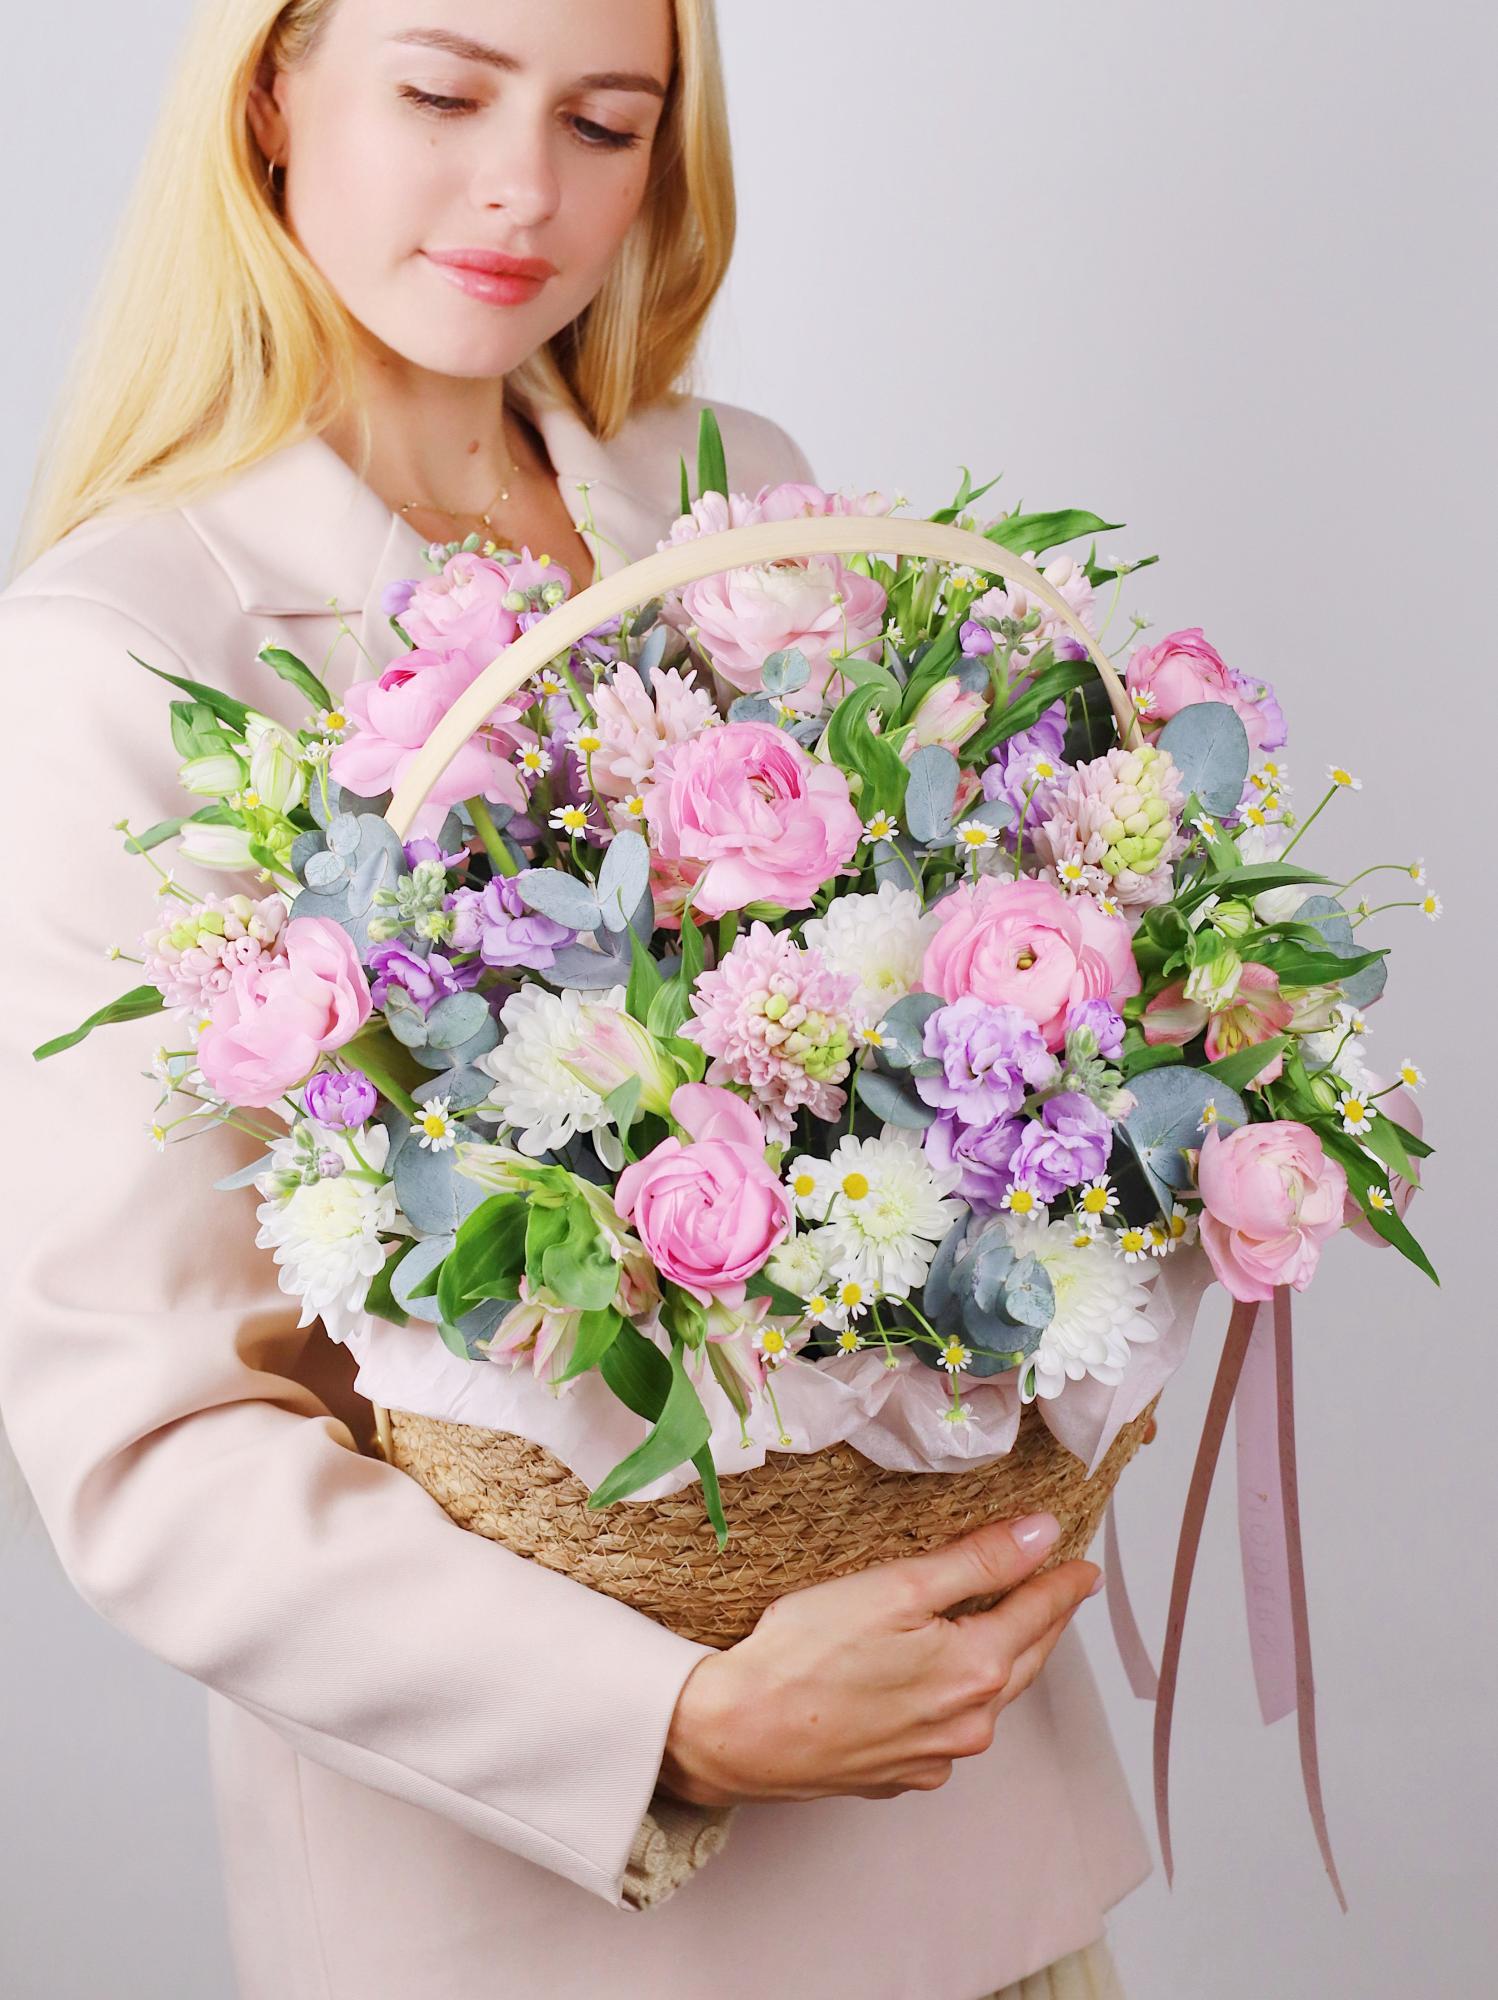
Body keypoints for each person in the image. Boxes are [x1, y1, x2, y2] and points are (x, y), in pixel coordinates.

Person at [0, 3, 1153, 1995]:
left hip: (973, 1841)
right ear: (269, 94)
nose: (522, 189)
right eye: (441, 94)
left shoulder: (738, 499)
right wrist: (670, 1722)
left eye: (605, 123)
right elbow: (145, 1434)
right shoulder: (125, 651)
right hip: (555, 1921)